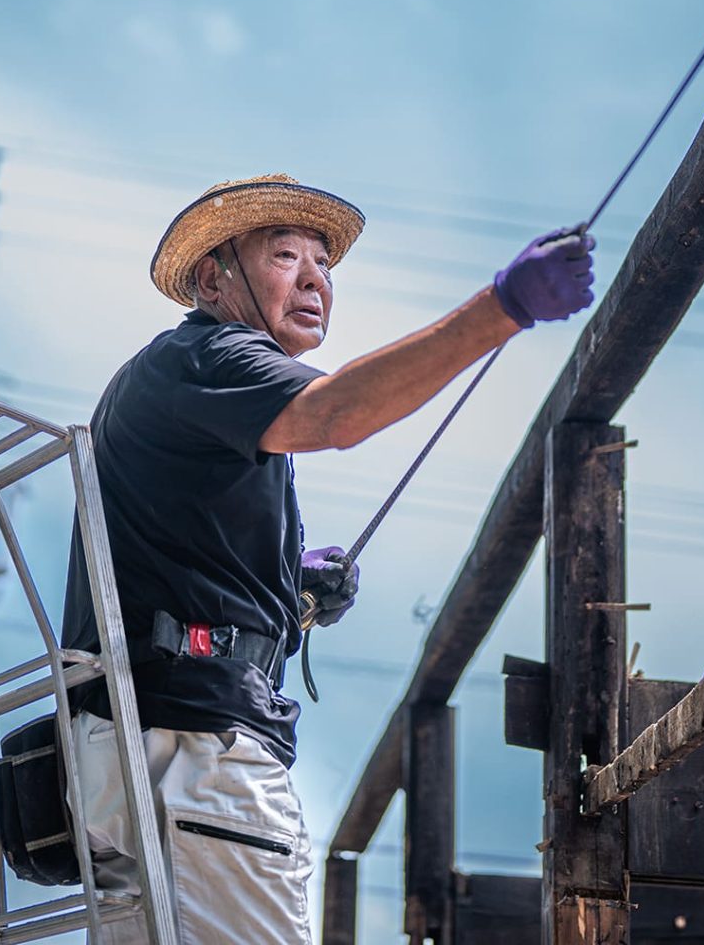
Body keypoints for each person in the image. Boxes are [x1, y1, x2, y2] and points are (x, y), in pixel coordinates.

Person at [61, 173, 595, 943]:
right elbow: (338, 412)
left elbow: (177, 565)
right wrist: (502, 308)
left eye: (325, 264)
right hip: (193, 755)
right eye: (285, 255)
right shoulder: (212, 356)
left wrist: (290, 597)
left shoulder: (186, 381)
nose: (315, 278)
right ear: (214, 278)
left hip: (127, 753)